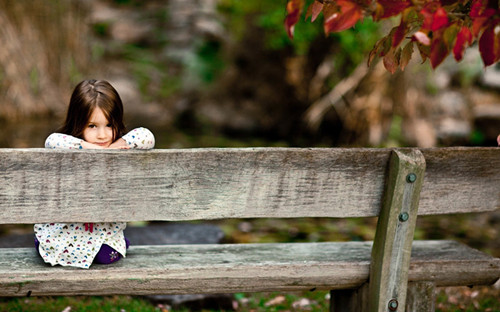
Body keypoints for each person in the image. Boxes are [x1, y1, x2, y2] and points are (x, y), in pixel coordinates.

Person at [35, 79, 155, 269]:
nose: (102, 135)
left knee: (105, 256)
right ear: (78, 123)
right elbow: (52, 140)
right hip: (68, 230)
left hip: (101, 230)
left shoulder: (121, 146)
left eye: (109, 125)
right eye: (92, 126)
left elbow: (146, 136)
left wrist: (117, 145)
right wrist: (87, 147)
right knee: (104, 254)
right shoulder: (70, 146)